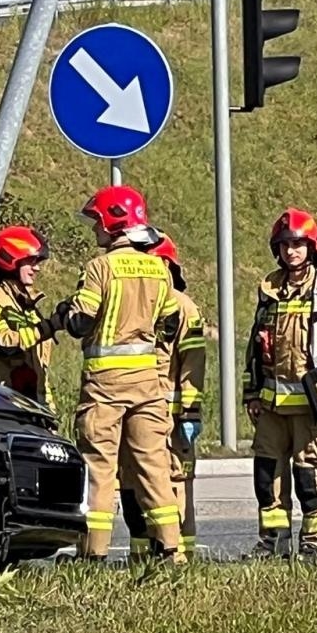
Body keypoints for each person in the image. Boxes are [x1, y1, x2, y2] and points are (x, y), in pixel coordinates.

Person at [58, 185, 184, 564]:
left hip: (105, 386)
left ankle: (92, 553)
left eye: (97, 220)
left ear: (113, 223)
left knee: (99, 468)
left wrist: (65, 312)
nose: (94, 228)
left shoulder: (101, 268)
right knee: (153, 466)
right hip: (148, 384)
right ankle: (170, 550)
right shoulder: (159, 268)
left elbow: (81, 322)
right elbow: (171, 323)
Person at [244, 209, 317, 560]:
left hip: (315, 406)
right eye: (285, 245)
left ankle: (314, 546)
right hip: (271, 408)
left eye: (298, 244)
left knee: (310, 477)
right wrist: (251, 393)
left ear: (312, 247)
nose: (291, 251)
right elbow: (256, 346)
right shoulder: (269, 288)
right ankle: (273, 543)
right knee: (268, 475)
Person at [119, 233, 206, 562]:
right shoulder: (138, 304)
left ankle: (180, 555)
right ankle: (141, 554)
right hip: (136, 409)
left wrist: (190, 411)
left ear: (167, 265)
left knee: (175, 482)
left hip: (171, 417)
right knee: (131, 481)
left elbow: (193, 365)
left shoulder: (183, 307)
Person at [0, 226, 59, 411]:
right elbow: (2, 345)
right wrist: (47, 328)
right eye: (31, 260)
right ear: (11, 259)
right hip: (6, 404)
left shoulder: (26, 304)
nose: (36, 268)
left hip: (36, 406)